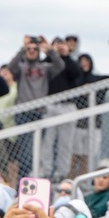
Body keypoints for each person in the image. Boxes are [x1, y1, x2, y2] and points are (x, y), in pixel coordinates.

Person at [9, 35, 65, 178]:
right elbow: (11, 67)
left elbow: (60, 66)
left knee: (37, 150)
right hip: (23, 113)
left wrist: (49, 50)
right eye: (30, 49)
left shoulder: (45, 68)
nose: (32, 51)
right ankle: (23, 178)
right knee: (25, 151)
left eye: (35, 49)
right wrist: (23, 48)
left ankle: (33, 177)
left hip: (39, 113)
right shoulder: (21, 67)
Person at [39, 37, 82, 179]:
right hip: (50, 105)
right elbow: (41, 72)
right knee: (47, 142)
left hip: (67, 106)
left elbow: (76, 73)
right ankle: (46, 171)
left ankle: (62, 173)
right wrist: (50, 54)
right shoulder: (47, 62)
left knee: (66, 143)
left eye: (61, 45)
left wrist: (66, 55)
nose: (59, 47)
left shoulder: (71, 62)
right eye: (56, 45)